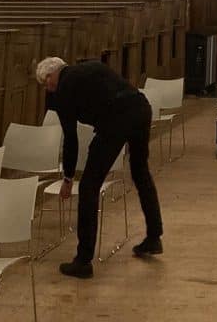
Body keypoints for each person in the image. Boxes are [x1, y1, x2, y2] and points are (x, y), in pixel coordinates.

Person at [36, 56, 163, 279]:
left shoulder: (64, 89)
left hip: (116, 120)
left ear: (52, 75)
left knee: (88, 187)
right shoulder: (89, 66)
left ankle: (83, 261)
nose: (48, 88)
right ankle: (154, 237)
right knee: (140, 172)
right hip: (141, 108)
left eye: (45, 82)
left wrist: (68, 178)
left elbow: (71, 139)